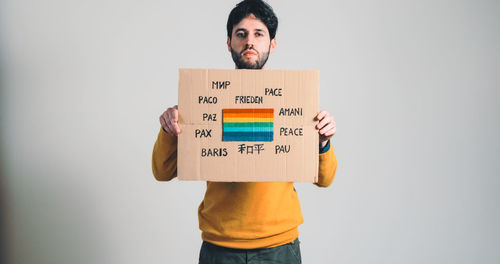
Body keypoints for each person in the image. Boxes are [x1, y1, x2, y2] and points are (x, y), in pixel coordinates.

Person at [152, 0, 337, 263]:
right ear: (229, 43)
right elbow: (162, 172)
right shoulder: (205, 99)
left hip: (280, 246)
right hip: (220, 246)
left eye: (258, 34)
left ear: (272, 43)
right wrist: (169, 129)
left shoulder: (293, 102)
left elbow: (325, 179)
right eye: (241, 34)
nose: (249, 41)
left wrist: (323, 143)